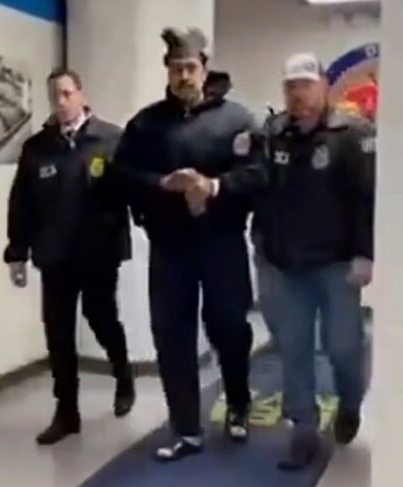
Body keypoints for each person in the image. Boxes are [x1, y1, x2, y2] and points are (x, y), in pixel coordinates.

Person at [114, 27, 266, 462]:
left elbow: (259, 175)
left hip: (222, 244)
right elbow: (120, 175)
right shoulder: (146, 124)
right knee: (172, 336)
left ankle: (238, 404)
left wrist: (213, 187)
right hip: (170, 248)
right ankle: (185, 429)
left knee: (230, 328)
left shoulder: (237, 119)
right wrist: (162, 183)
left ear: (205, 67)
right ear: (167, 70)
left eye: (190, 67)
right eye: (176, 69)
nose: (184, 76)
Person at [256, 53, 376, 470]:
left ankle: (350, 403)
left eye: (306, 85)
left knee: (343, 348)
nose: (298, 94)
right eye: (291, 87)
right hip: (289, 265)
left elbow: (365, 199)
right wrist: (263, 244)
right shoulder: (274, 133)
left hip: (338, 265)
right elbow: (263, 190)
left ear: (323, 86)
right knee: (294, 350)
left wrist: (365, 254)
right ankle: (303, 429)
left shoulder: (352, 134)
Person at [3, 68, 136, 446]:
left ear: (81, 94)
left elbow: (132, 190)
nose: (60, 102)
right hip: (55, 254)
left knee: (101, 319)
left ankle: (123, 375)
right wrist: (17, 252)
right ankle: (67, 412)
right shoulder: (37, 147)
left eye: (66, 94)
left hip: (98, 253)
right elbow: (21, 202)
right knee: (58, 334)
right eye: (54, 96)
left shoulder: (111, 139)